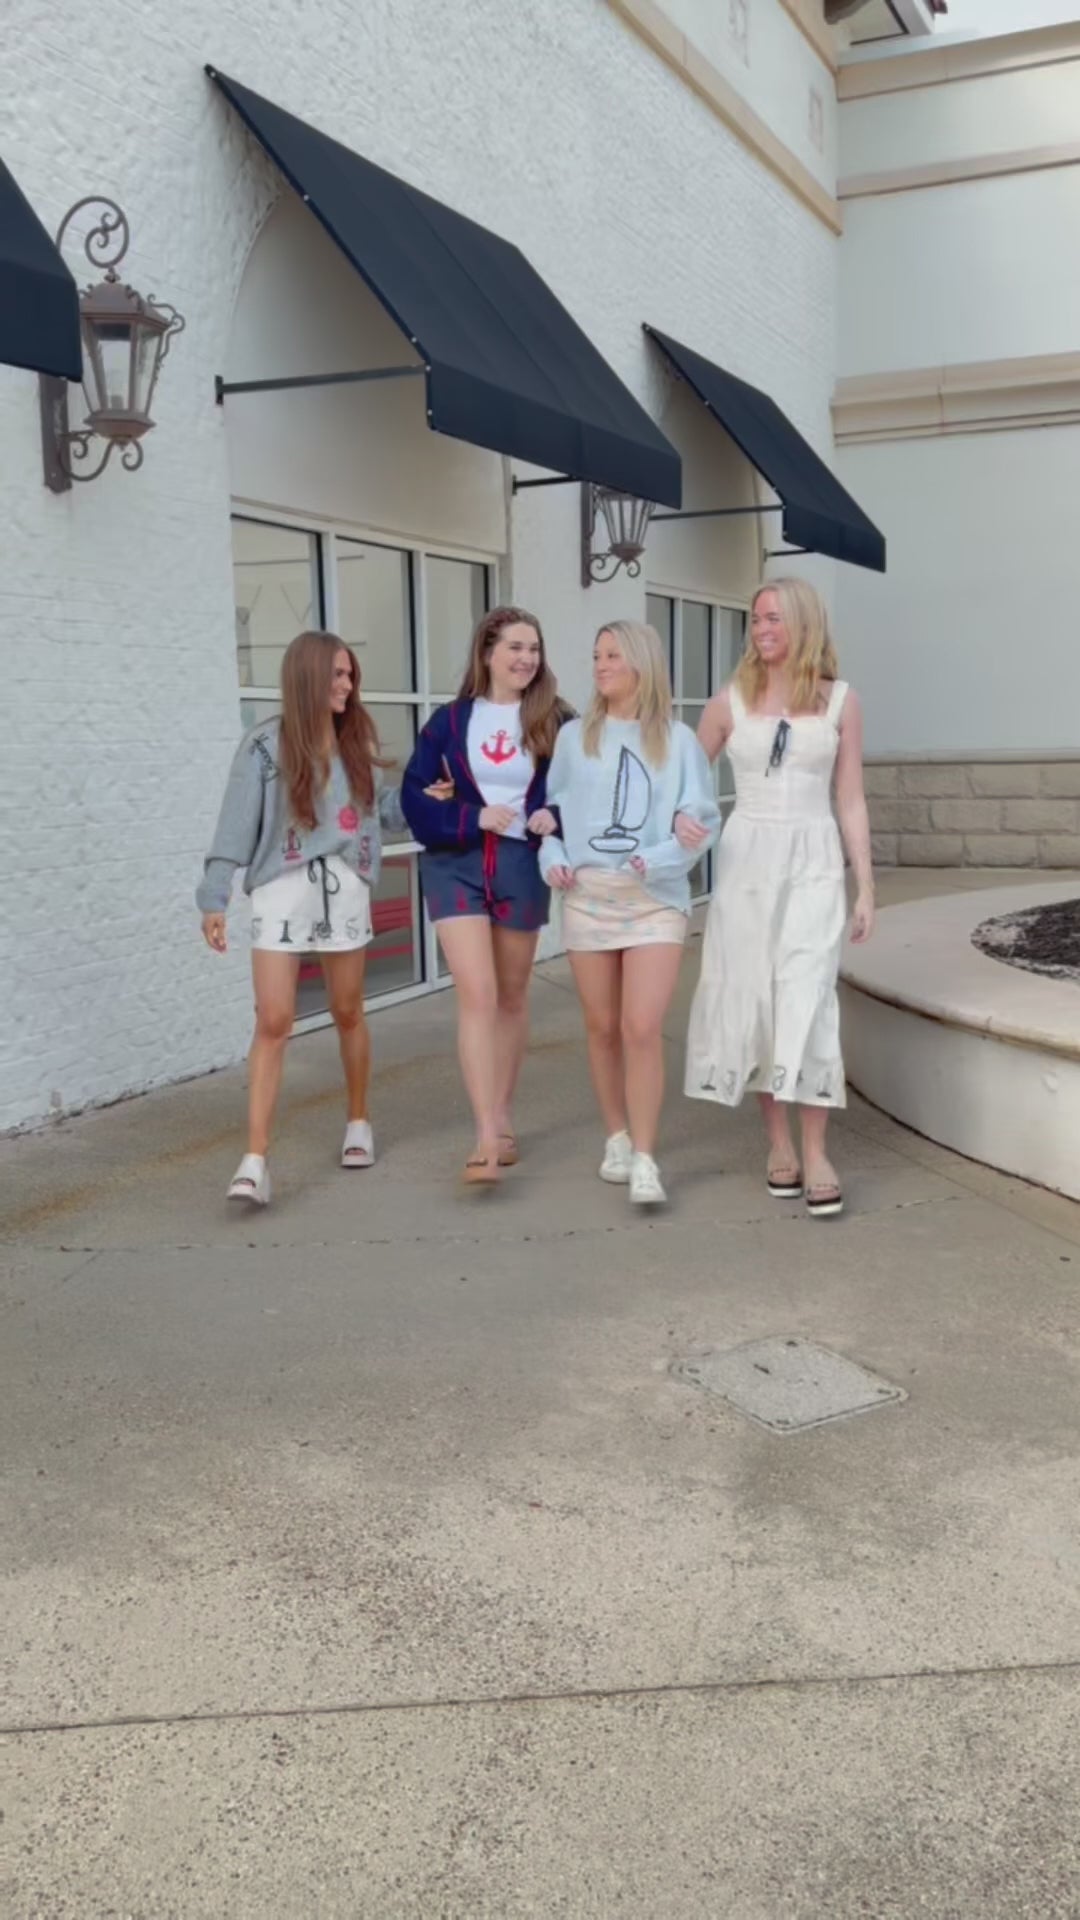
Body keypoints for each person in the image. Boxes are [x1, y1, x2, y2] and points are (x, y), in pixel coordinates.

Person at [198, 629, 449, 1206]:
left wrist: (423, 799)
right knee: (273, 1020)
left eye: (350, 673)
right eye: (337, 673)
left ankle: (358, 1121)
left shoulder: (355, 739)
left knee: (347, 1010)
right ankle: (255, 1161)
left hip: (345, 884)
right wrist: (214, 896)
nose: (348, 683)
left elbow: (379, 812)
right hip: (281, 891)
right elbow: (234, 825)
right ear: (308, 677)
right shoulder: (263, 747)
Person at [680, 577, 875, 1218]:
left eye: (774, 618)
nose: (762, 628)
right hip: (747, 864)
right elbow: (684, 782)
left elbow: (850, 798)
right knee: (758, 997)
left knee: (809, 996)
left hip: (815, 860)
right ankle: (779, 1144)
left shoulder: (840, 700)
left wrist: (865, 885)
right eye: (756, 617)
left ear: (804, 623)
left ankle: (817, 1151)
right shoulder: (728, 701)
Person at [538, 620, 719, 1207]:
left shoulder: (679, 741)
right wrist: (553, 858)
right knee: (602, 1028)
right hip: (588, 898)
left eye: (613, 655)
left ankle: (645, 1157)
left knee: (641, 1027)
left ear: (642, 662)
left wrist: (661, 856)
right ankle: (615, 1137)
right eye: (597, 655)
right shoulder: (575, 738)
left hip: (653, 902)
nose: (600, 665)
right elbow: (551, 815)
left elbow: (702, 822)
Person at [401, 605, 571, 1185]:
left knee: (512, 997)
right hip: (456, 864)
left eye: (534, 648)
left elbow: (582, 788)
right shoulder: (450, 722)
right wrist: (470, 815)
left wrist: (553, 815)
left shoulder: (557, 720)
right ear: (488, 652)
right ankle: (484, 1134)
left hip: (521, 865)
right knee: (477, 994)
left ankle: (502, 1114)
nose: (526, 659)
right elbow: (416, 795)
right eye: (515, 647)